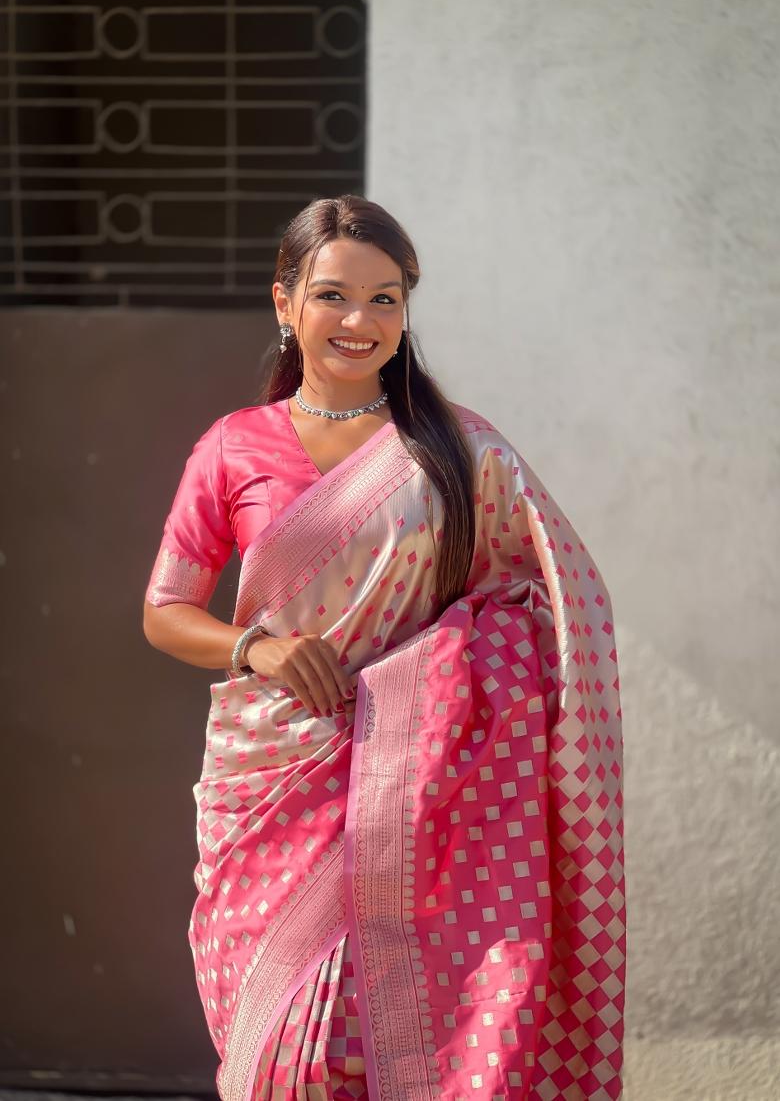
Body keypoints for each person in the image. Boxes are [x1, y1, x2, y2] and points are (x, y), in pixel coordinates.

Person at [142, 194, 626, 1101]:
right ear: (285, 304)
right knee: (274, 1030)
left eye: (386, 299)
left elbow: (549, 598)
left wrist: (438, 676)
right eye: (333, 295)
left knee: (403, 1030)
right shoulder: (232, 449)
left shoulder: (456, 450)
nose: (359, 321)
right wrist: (259, 649)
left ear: (406, 310)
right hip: (273, 778)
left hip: (427, 783)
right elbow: (166, 609)